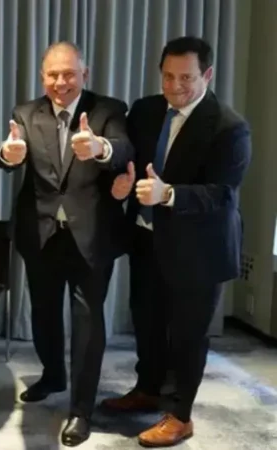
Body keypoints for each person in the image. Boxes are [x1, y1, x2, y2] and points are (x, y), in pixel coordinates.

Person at [103, 36, 251, 448]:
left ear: (207, 75)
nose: (174, 86)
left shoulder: (229, 126)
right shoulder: (147, 110)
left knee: (187, 335)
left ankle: (180, 415)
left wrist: (168, 194)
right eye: (168, 76)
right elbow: (130, 158)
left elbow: (222, 193)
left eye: (185, 78)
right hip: (148, 238)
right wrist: (123, 179)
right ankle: (148, 389)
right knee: (147, 322)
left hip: (200, 249)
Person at [0, 41, 132, 446]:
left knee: (88, 322)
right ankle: (53, 375)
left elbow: (123, 148)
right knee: (43, 313)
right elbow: (11, 153)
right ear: (43, 77)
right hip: (40, 233)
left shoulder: (108, 110)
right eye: (53, 75)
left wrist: (101, 147)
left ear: (84, 74)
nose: (61, 82)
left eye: (69, 74)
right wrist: (7, 155)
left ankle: (81, 409)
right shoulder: (26, 112)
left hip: (91, 235)